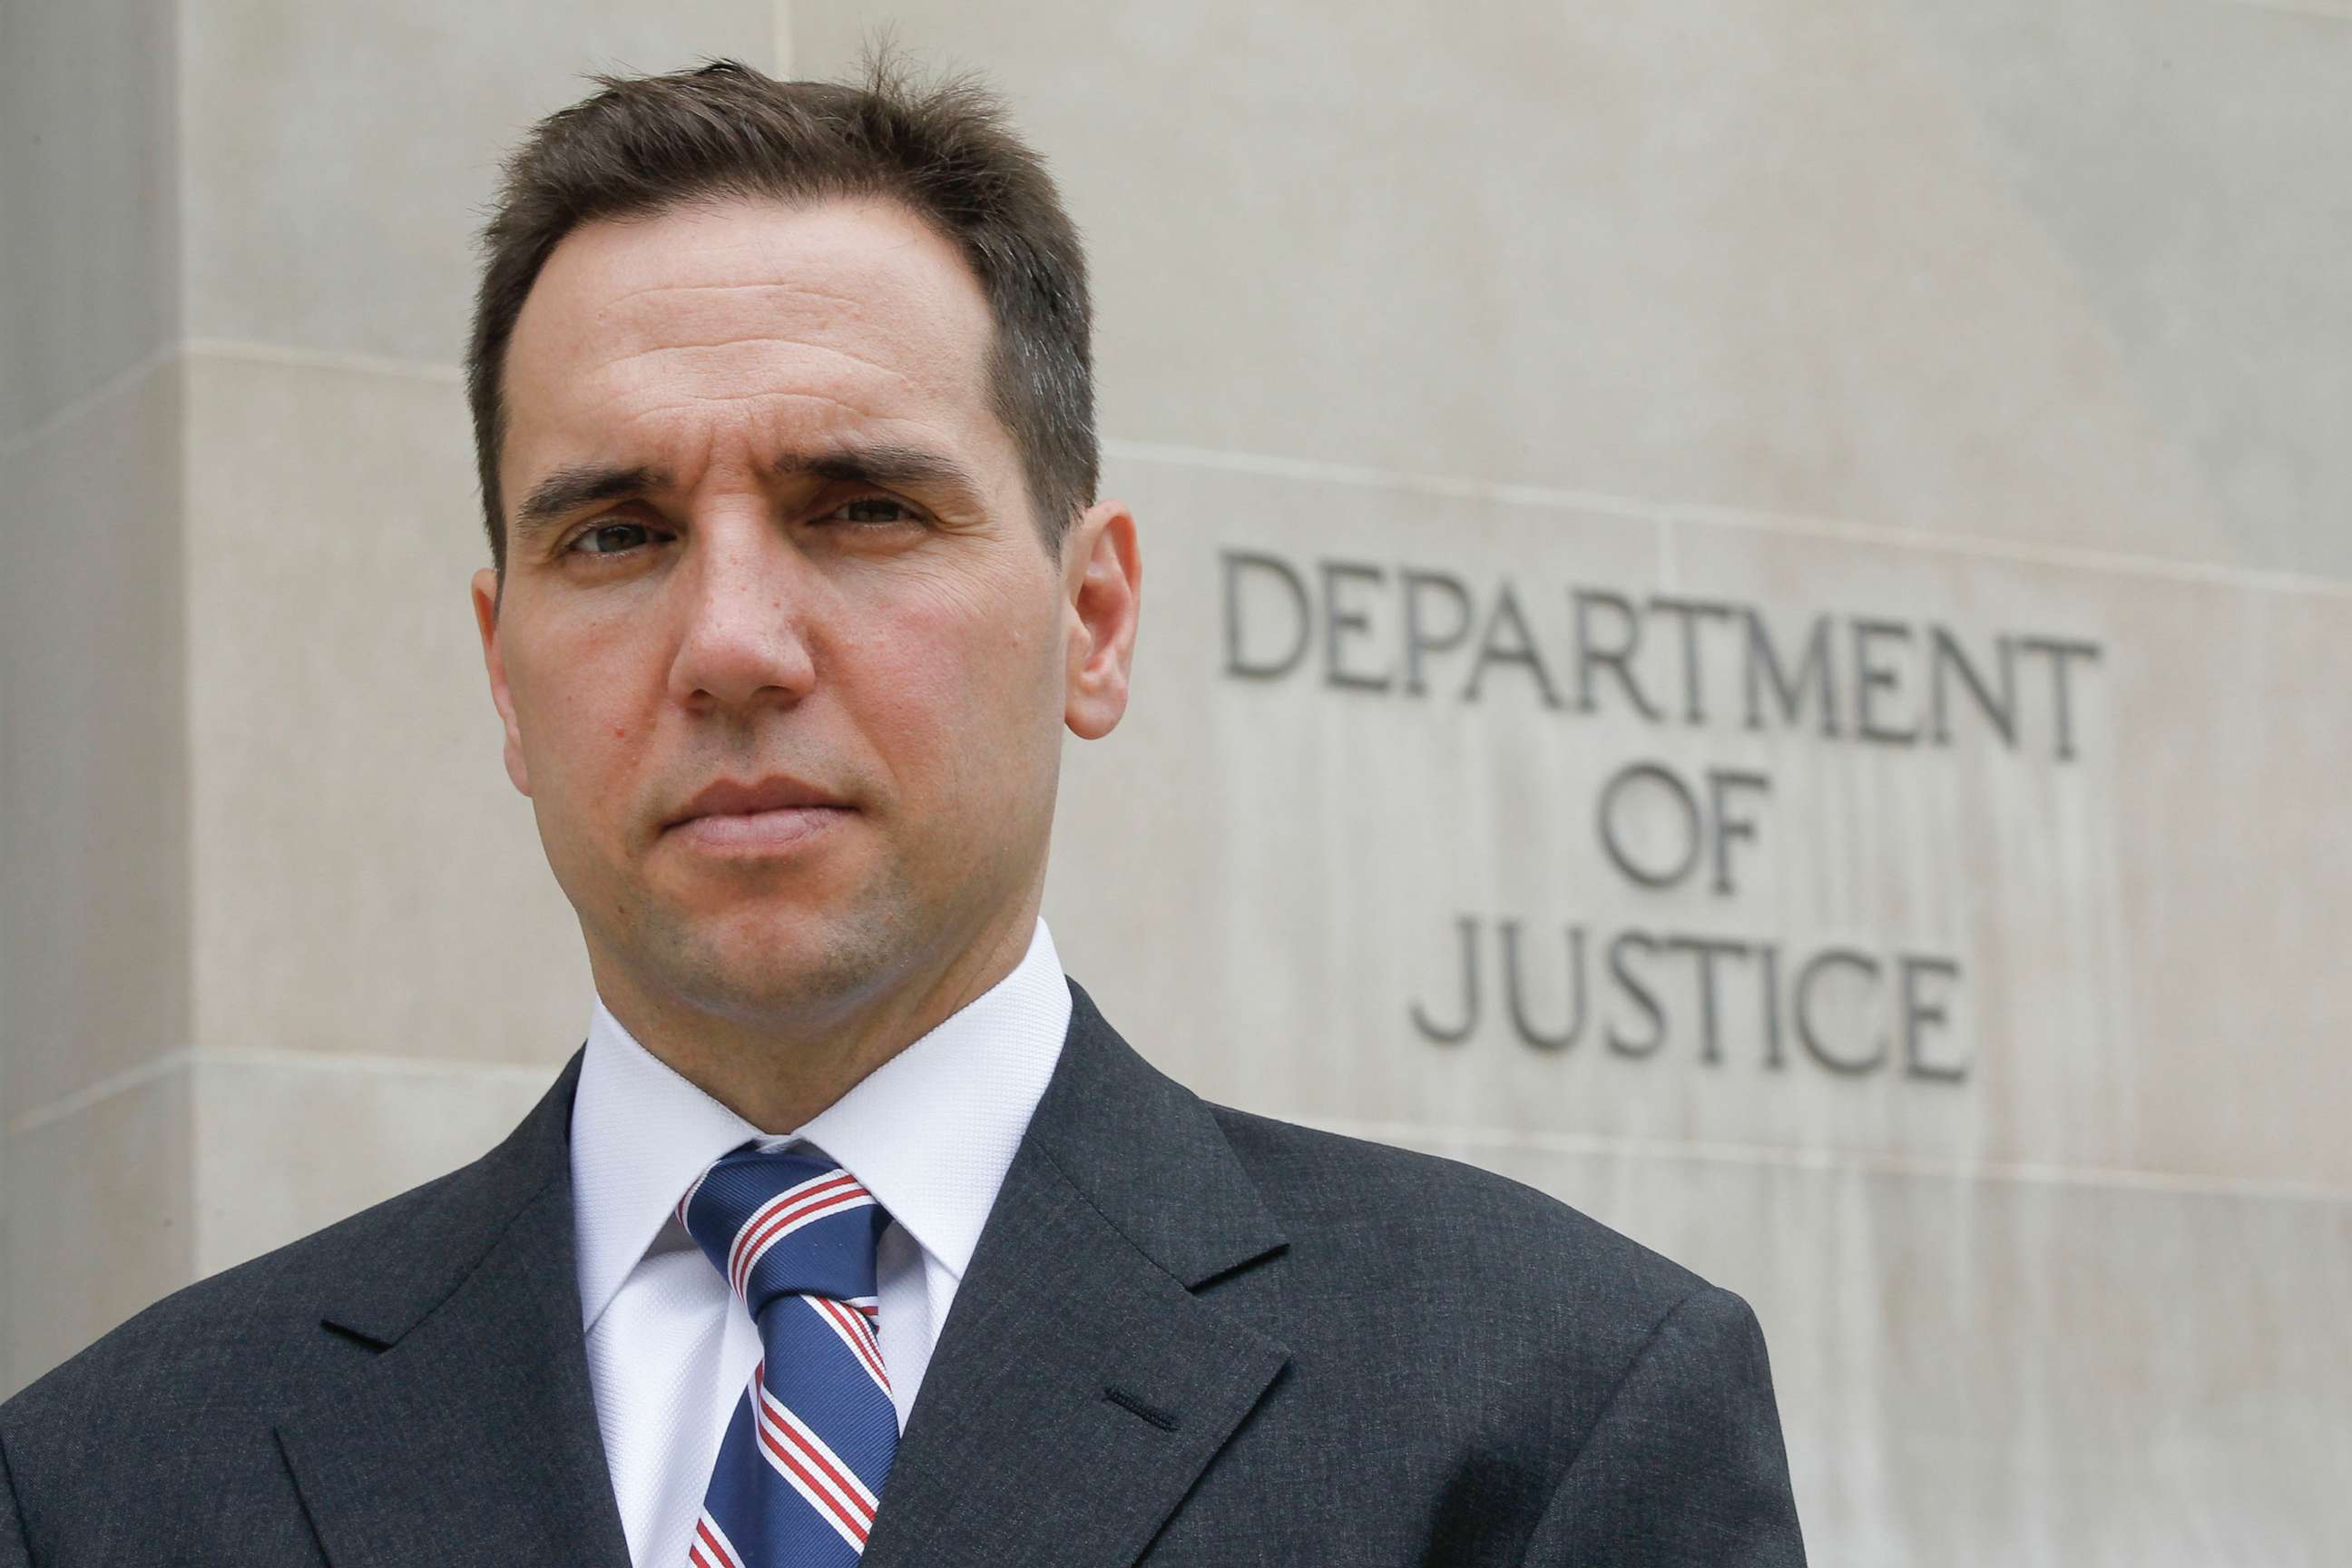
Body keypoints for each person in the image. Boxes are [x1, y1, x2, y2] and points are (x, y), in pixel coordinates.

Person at [0, 59, 1806, 1567]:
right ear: (503, 672)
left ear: (1093, 621)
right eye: (613, 534)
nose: (730, 644)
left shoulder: (1549, 1415)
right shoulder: (110, 1486)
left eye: (860, 510)